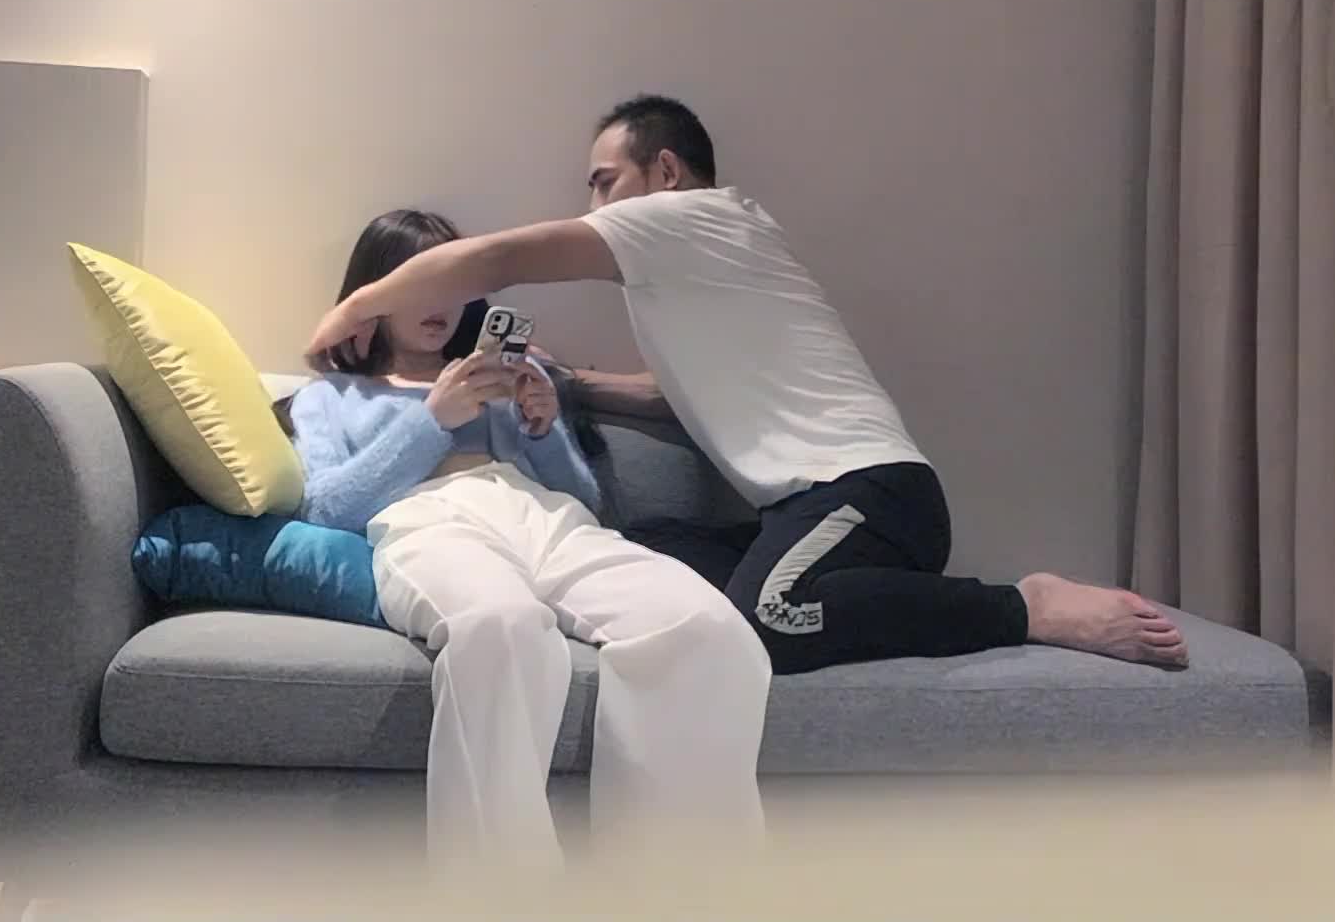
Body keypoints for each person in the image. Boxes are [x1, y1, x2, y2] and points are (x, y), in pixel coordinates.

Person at [305, 98, 1190, 676]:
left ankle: (1024, 606)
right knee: (645, 545)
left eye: (605, 183)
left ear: (665, 174)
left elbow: (498, 259)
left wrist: (354, 306)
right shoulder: (697, 266)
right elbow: (673, 399)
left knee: (772, 617)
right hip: (800, 514)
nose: (595, 207)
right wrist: (564, 388)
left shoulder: (687, 219)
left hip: (866, 492)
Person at [284, 209, 769, 868]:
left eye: (452, 283)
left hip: (542, 515)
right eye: (419, 281)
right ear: (377, 294)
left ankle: (677, 887)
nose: (439, 302)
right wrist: (431, 420)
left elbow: (585, 502)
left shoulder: (498, 381)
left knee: (709, 629)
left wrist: (541, 430)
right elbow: (326, 509)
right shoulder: (332, 396)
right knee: (499, 627)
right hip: (432, 518)